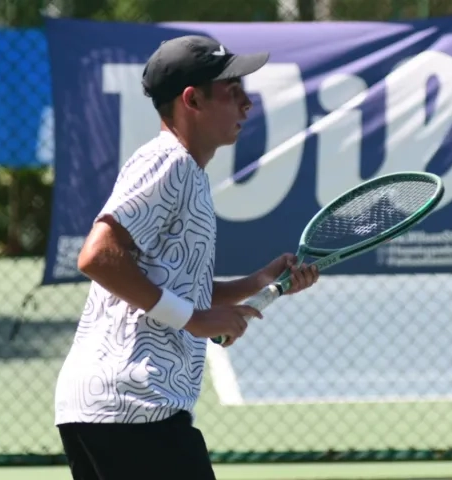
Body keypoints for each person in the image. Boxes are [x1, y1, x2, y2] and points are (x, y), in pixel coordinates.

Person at [53, 35, 320, 480]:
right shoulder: (169, 163)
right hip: (132, 406)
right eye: (232, 93)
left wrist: (257, 281)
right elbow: (98, 257)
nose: (247, 105)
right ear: (192, 100)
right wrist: (195, 321)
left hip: (121, 410)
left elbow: (174, 285)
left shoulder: (185, 171)